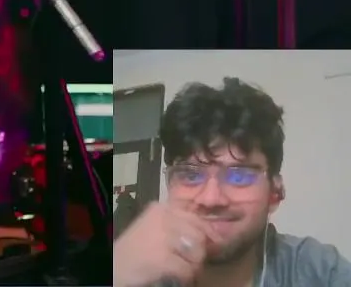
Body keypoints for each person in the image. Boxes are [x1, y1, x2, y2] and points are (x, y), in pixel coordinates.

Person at [113, 77, 351, 287]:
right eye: (191, 175)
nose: (211, 199)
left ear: (275, 193)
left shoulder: (319, 272)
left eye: (239, 176)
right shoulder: (139, 273)